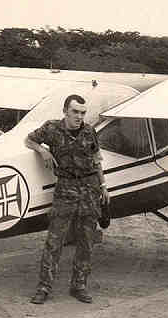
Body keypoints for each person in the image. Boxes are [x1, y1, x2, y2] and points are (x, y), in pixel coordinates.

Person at [25, 94, 110, 304]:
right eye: (75, 112)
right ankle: (44, 287)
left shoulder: (89, 131)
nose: (79, 116)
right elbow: (29, 140)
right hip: (65, 189)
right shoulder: (51, 129)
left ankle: (79, 286)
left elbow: (96, 159)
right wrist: (42, 150)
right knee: (54, 241)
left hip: (90, 190)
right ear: (65, 111)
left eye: (83, 113)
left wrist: (103, 186)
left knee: (86, 241)